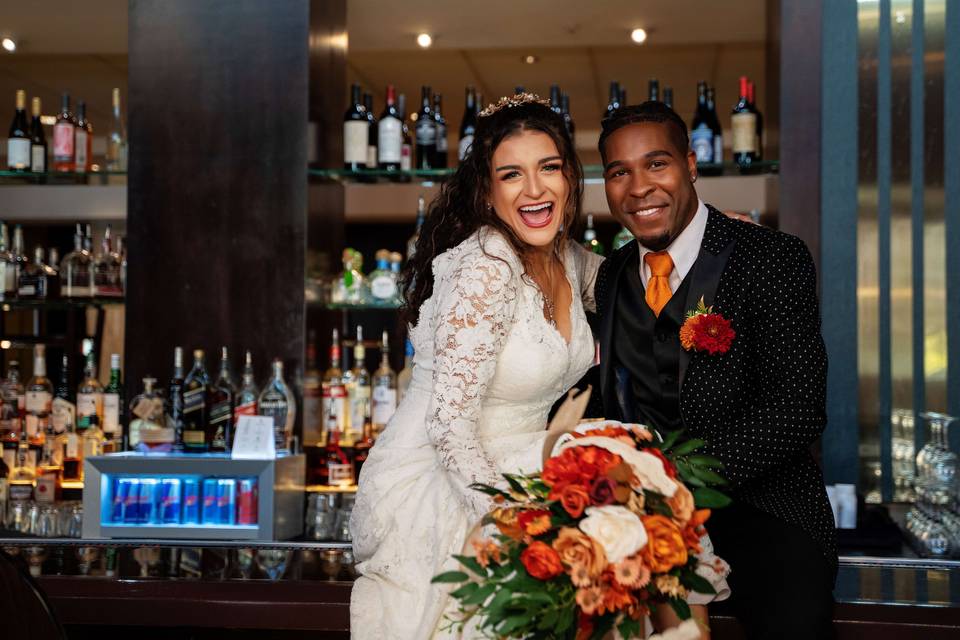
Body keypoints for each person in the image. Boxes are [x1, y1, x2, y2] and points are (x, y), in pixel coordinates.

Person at [350, 95, 726, 640]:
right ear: (487, 190)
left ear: (570, 178)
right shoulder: (485, 268)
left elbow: (646, 273)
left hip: (531, 455)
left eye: (548, 168)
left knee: (643, 496)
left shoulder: (566, 258)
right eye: (511, 175)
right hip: (450, 474)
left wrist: (719, 236)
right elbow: (448, 428)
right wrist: (511, 518)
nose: (534, 190)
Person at [587, 102, 837, 639]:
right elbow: (610, 402)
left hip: (762, 513)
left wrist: (674, 479)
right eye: (618, 172)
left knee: (792, 623)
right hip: (640, 518)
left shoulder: (770, 257)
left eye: (657, 164)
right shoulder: (610, 276)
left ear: (692, 163)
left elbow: (797, 409)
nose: (638, 188)